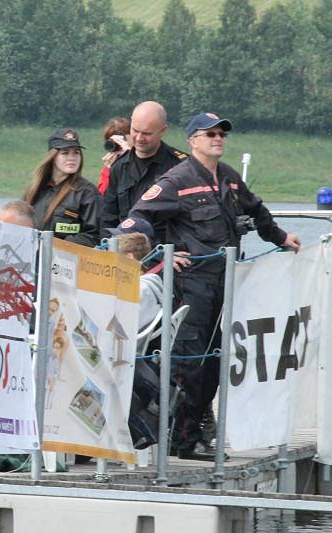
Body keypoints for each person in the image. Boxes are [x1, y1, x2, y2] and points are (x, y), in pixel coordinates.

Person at [128, 112, 301, 461]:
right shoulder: (176, 180)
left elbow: (257, 210)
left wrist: (281, 238)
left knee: (214, 365)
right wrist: (156, 257)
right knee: (187, 363)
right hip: (192, 285)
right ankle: (173, 438)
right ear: (193, 141)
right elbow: (138, 218)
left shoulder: (229, 179)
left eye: (221, 134)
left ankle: (188, 440)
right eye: (210, 134)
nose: (218, 139)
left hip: (227, 285)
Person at [101, 101, 188, 240]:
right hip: (126, 250)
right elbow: (107, 218)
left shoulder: (182, 167)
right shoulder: (119, 167)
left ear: (163, 131)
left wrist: (175, 253)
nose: (140, 138)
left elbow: (190, 219)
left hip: (165, 253)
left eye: (147, 133)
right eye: (135, 131)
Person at [23, 128, 100, 246]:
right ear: (52, 157)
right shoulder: (34, 190)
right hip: (33, 258)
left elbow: (95, 235)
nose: (72, 158)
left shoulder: (87, 192)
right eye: (65, 153)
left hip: (67, 260)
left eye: (76, 152)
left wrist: (62, 245)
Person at [97, 117, 131, 196]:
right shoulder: (110, 168)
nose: (118, 146)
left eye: (121, 140)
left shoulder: (142, 160)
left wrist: (130, 156)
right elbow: (101, 197)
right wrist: (110, 171)